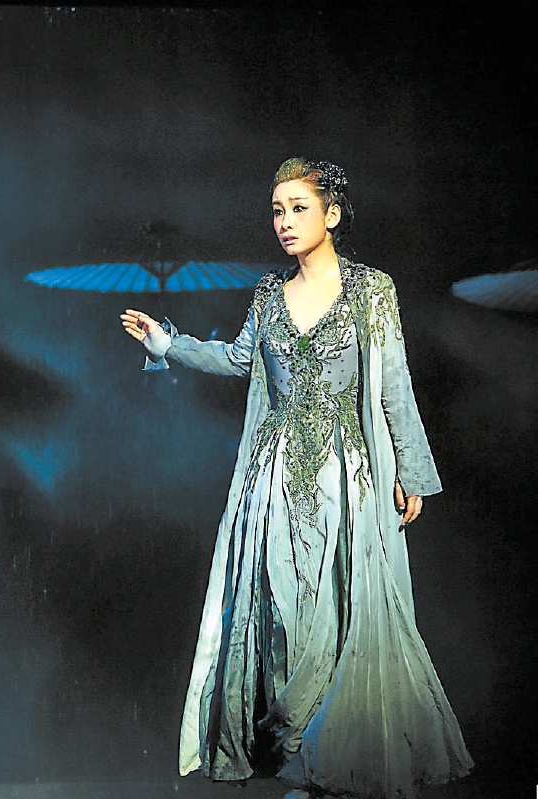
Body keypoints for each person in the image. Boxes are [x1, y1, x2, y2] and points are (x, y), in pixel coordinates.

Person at [120, 159, 473, 798]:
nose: (284, 221)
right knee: (282, 614)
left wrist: (412, 472)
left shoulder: (372, 291)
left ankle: (338, 766)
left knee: (341, 611)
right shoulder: (267, 296)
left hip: (347, 480)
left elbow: (393, 385)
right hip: (275, 481)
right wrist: (167, 346)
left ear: (331, 214)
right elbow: (237, 360)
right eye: (277, 210)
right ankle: (300, 763)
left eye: (298, 208)